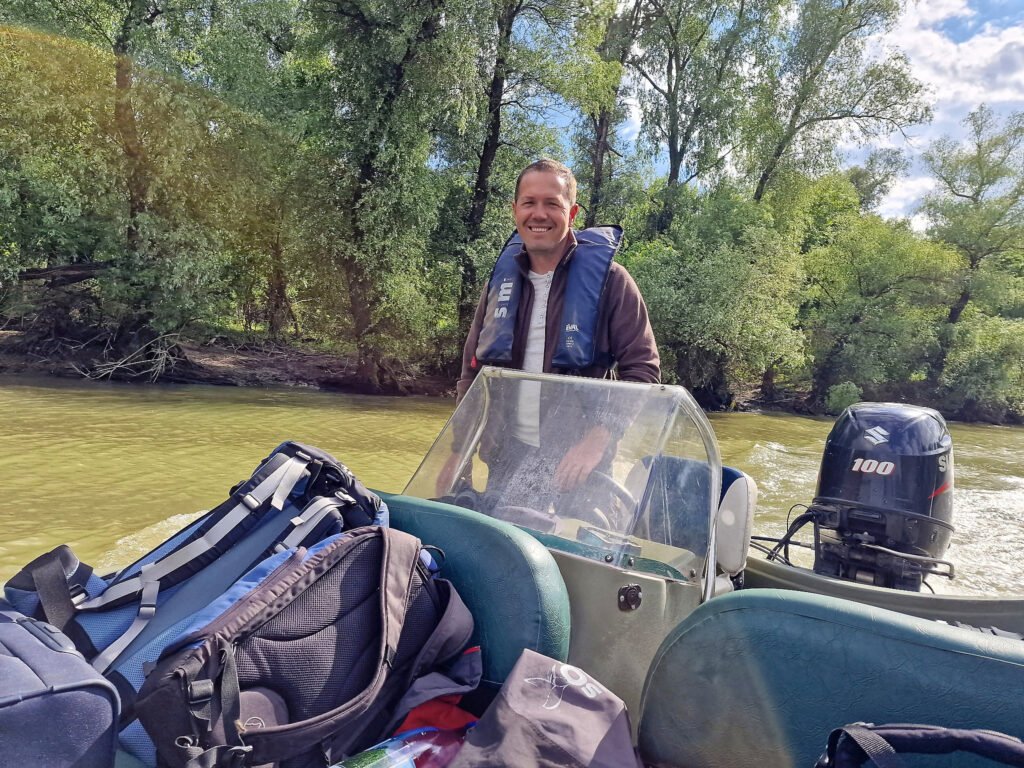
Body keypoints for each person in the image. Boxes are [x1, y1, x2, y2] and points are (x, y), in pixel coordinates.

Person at [437, 158, 659, 502]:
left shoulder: (613, 282)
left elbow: (643, 371)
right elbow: (472, 373)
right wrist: (459, 452)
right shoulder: (498, 286)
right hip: (506, 459)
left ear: (571, 214)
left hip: (581, 467)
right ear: (515, 210)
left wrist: (596, 440)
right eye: (529, 203)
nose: (538, 214)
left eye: (552, 204)